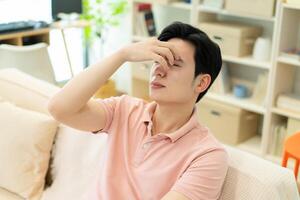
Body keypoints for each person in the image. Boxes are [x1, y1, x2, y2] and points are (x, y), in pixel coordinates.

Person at [48, 21, 228, 200]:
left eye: (174, 64)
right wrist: (122, 55)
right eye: (158, 60)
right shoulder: (125, 109)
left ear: (201, 82)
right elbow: (59, 109)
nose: (159, 70)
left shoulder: (207, 155)